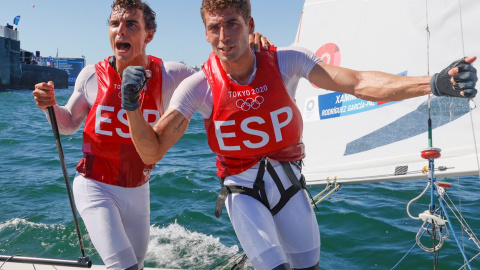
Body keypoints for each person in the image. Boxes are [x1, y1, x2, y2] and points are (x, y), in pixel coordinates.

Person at [121, 0, 478, 269]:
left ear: (250, 24)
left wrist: (431, 83)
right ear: (205, 32)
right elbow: (151, 152)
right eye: (215, 28)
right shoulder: (198, 87)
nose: (224, 36)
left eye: (232, 24)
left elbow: (357, 83)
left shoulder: (287, 60)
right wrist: (132, 106)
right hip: (241, 192)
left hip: (290, 185)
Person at [32, 0, 271, 269]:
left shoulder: (171, 75)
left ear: (149, 35)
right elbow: (69, 124)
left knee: (138, 263)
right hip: (95, 185)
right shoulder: (91, 76)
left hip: (138, 189)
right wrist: (50, 105)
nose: (121, 30)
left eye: (131, 24)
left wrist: (249, 47)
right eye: (114, 24)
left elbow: (221, 73)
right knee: (124, 266)